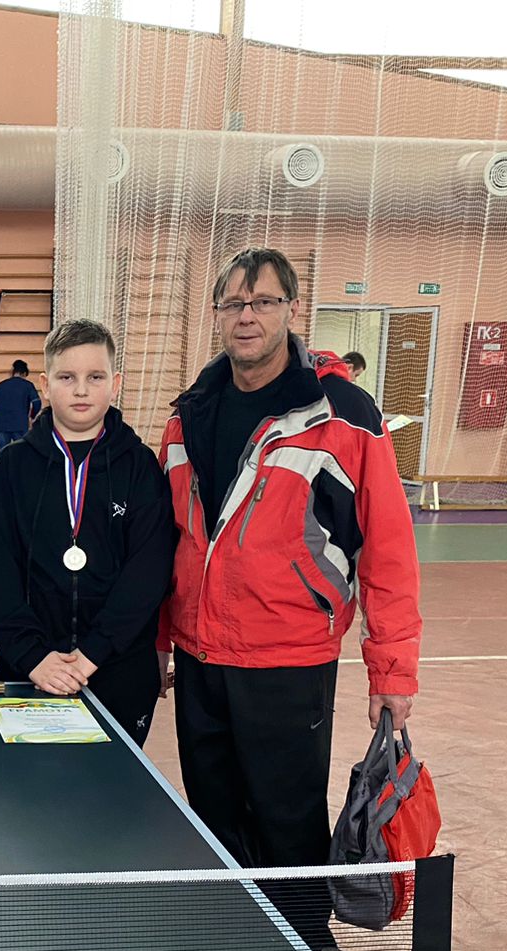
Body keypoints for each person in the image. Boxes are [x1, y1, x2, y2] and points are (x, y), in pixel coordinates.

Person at [157, 247, 421, 874]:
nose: (247, 316)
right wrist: (160, 641)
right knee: (213, 822)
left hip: (288, 661)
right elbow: (172, 541)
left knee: (288, 827)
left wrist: (392, 670)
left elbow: (387, 548)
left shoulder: (345, 415)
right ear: (217, 314)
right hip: (201, 660)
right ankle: (235, 930)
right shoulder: (188, 414)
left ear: (293, 310)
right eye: (233, 303)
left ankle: (301, 933)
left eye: (263, 302)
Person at [0, 319, 173, 745]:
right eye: (67, 377)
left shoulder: (139, 467)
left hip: (118, 669)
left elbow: (148, 572)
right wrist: (33, 656)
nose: (81, 390)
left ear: (115, 384)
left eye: (95, 377)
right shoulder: (11, 468)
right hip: (29, 670)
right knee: (29, 784)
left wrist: (92, 654)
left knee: (114, 783)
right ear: (45, 386)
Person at [0, 359, 42, 451]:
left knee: (3, 453)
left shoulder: (2, 385)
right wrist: (31, 416)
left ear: (13, 372)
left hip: (1, 424)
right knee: (20, 452)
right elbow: (37, 403)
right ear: (24, 373)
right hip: (19, 423)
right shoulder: (27, 385)